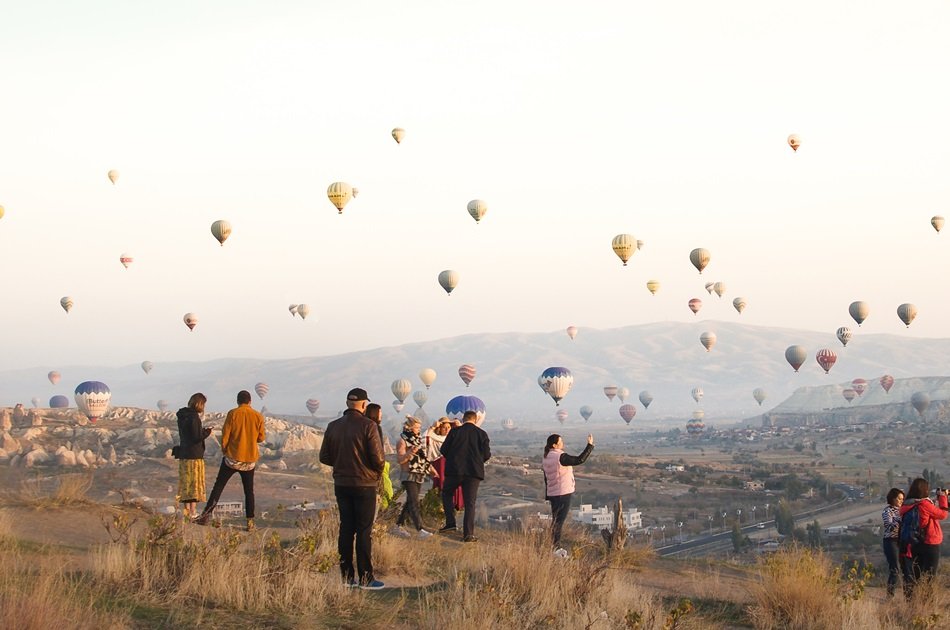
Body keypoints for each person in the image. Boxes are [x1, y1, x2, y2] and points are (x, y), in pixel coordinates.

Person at [319, 388, 386, 589]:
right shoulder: (369, 426)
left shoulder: (333, 426)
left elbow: (324, 456)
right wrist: (376, 472)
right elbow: (378, 458)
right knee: (364, 531)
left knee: (346, 529)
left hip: (342, 484)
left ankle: (347, 577)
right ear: (364, 405)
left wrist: (341, 464)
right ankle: (366, 577)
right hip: (364, 484)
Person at [194, 390, 265, 531]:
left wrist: (225, 450)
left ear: (238, 401)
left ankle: (205, 516)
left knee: (218, 487)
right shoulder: (258, 416)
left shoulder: (233, 414)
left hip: (232, 458)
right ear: (250, 401)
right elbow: (261, 438)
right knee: (249, 492)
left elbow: (225, 435)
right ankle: (250, 523)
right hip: (249, 460)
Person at [439, 410, 491, 542]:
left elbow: (443, 450)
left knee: (447, 494)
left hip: (454, 470)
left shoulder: (455, 432)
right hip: (473, 473)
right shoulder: (482, 434)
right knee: (470, 503)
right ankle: (468, 534)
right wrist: (477, 461)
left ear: (463, 419)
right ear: (476, 419)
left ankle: (450, 523)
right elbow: (487, 455)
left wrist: (453, 459)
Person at [543, 433, 594, 557]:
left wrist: (548, 492)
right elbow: (579, 460)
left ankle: (554, 546)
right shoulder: (560, 457)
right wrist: (590, 446)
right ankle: (556, 548)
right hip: (563, 492)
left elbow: (546, 477)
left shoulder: (546, 456)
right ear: (555, 445)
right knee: (559, 521)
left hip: (553, 492)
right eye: (560, 442)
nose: (563, 444)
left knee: (556, 520)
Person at [900, 477, 948, 597]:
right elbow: (942, 515)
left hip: (914, 543)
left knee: (917, 574)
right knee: (929, 576)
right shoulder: (924, 504)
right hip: (930, 542)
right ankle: (926, 604)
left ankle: (913, 601)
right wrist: (943, 497)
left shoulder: (906, 505)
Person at [393, 416, 433, 538]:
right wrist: (410, 453)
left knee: (410, 501)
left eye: (419, 427)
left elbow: (423, 458)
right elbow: (400, 459)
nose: (418, 429)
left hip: (419, 474)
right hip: (408, 474)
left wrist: (432, 470)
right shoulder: (402, 440)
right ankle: (420, 529)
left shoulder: (417, 440)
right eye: (416, 427)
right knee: (414, 501)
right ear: (409, 427)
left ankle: (398, 525)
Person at [175, 393, 212, 519]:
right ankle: (193, 511)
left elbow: (189, 434)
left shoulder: (182, 416)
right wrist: (207, 432)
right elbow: (196, 437)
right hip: (195, 455)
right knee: (195, 484)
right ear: (200, 404)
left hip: (184, 453)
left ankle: (186, 511)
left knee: (186, 483)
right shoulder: (194, 417)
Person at [881, 487, 904, 597]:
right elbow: (889, 526)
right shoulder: (887, 511)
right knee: (895, 568)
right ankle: (890, 596)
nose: (901, 501)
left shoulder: (903, 510)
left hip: (902, 540)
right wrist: (898, 520)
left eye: (902, 499)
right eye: (899, 499)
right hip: (891, 541)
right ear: (893, 499)